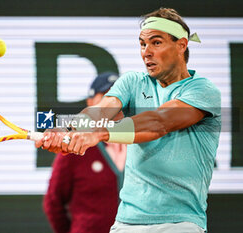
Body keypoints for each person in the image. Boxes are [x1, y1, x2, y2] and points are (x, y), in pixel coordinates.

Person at [36, 7, 221, 233]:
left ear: (181, 45)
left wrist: (102, 133)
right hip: (126, 224)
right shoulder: (132, 82)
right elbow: (102, 110)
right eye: (142, 44)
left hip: (180, 223)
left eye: (156, 43)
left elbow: (159, 122)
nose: (146, 52)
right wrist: (70, 130)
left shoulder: (202, 90)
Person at [43, 72, 127, 233]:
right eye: (106, 96)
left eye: (119, 98)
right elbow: (53, 202)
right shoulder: (72, 149)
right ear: (90, 102)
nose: (113, 104)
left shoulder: (139, 143)